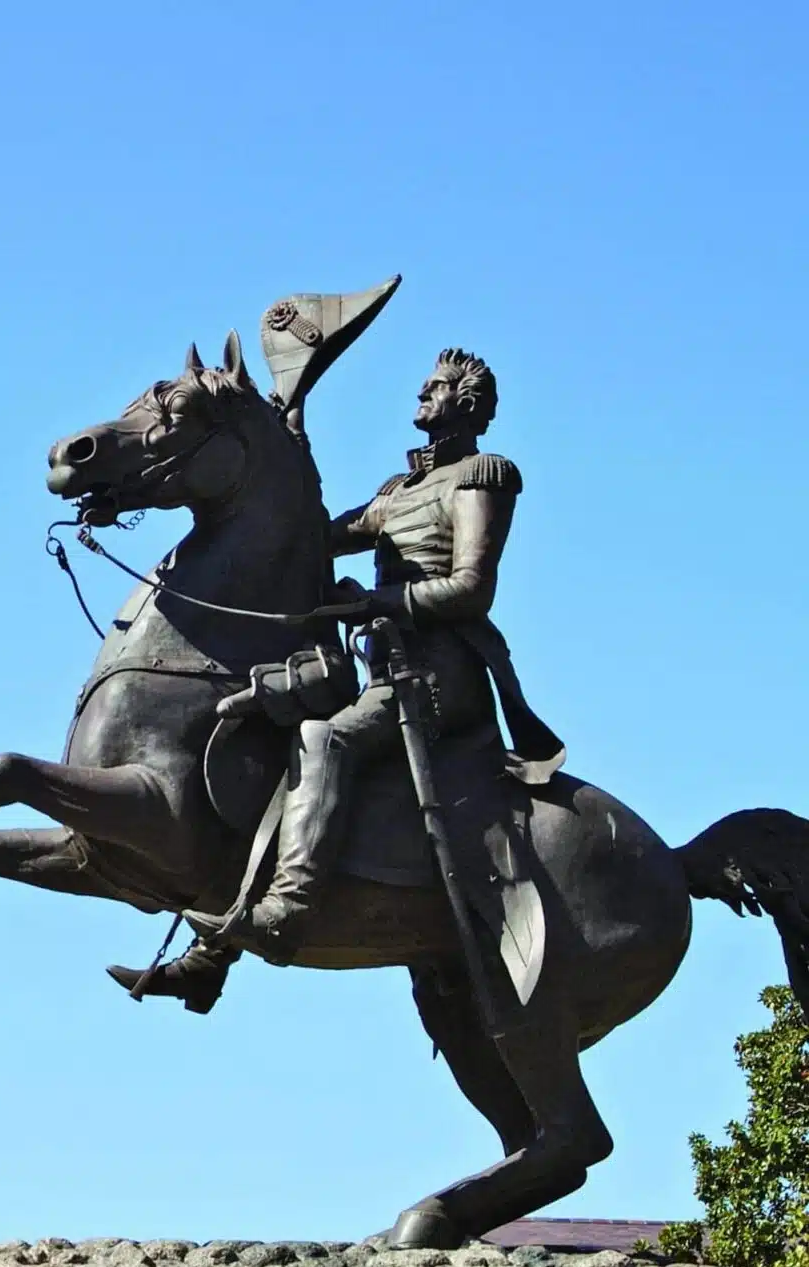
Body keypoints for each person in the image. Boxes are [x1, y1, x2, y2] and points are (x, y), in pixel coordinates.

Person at [113, 346, 564, 1004]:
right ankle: (212, 954)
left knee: (326, 740)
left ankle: (287, 910)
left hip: (439, 679)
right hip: (386, 671)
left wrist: (380, 601)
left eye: (435, 386)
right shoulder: (395, 492)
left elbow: (471, 588)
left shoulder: (482, 475)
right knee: (270, 728)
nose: (421, 392)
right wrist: (286, 436)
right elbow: (314, 535)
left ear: (465, 404)